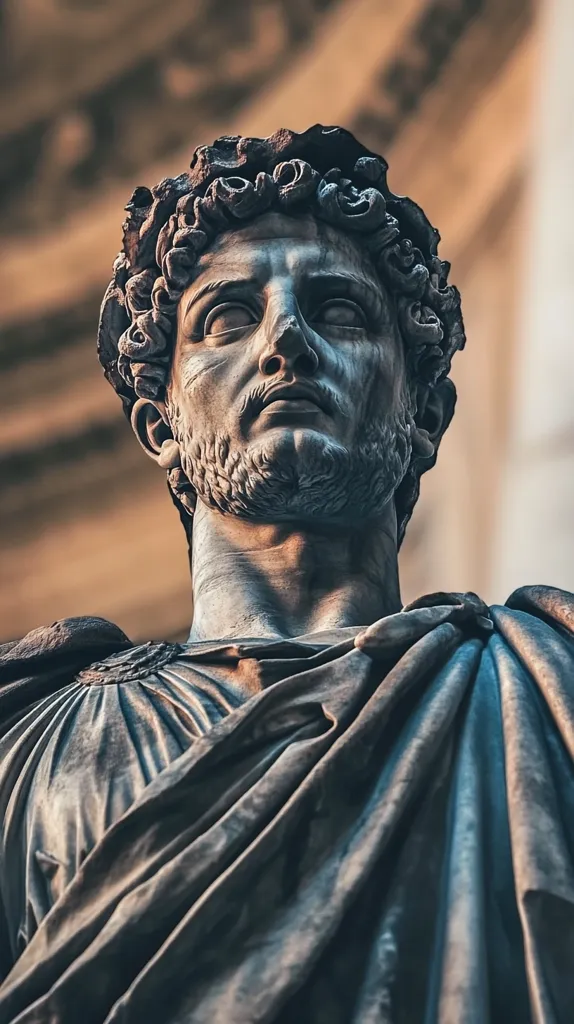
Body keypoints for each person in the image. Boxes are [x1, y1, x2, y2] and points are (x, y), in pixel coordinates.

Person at [0, 125, 572, 1023]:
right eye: (228, 318)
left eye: (339, 310)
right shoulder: (25, 749)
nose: (286, 342)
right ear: (160, 425)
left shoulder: (546, 695)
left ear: (425, 411)